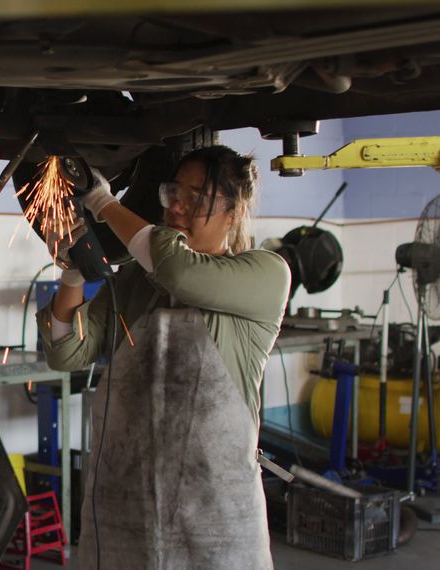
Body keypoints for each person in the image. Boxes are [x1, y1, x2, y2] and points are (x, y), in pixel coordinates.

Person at [37, 146, 290, 569]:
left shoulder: (264, 274)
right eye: (174, 192)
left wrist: (101, 201)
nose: (177, 207)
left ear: (233, 211)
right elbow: (66, 352)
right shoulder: (139, 280)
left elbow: (180, 271)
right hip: (123, 512)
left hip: (215, 522)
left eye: (196, 198)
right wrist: (73, 273)